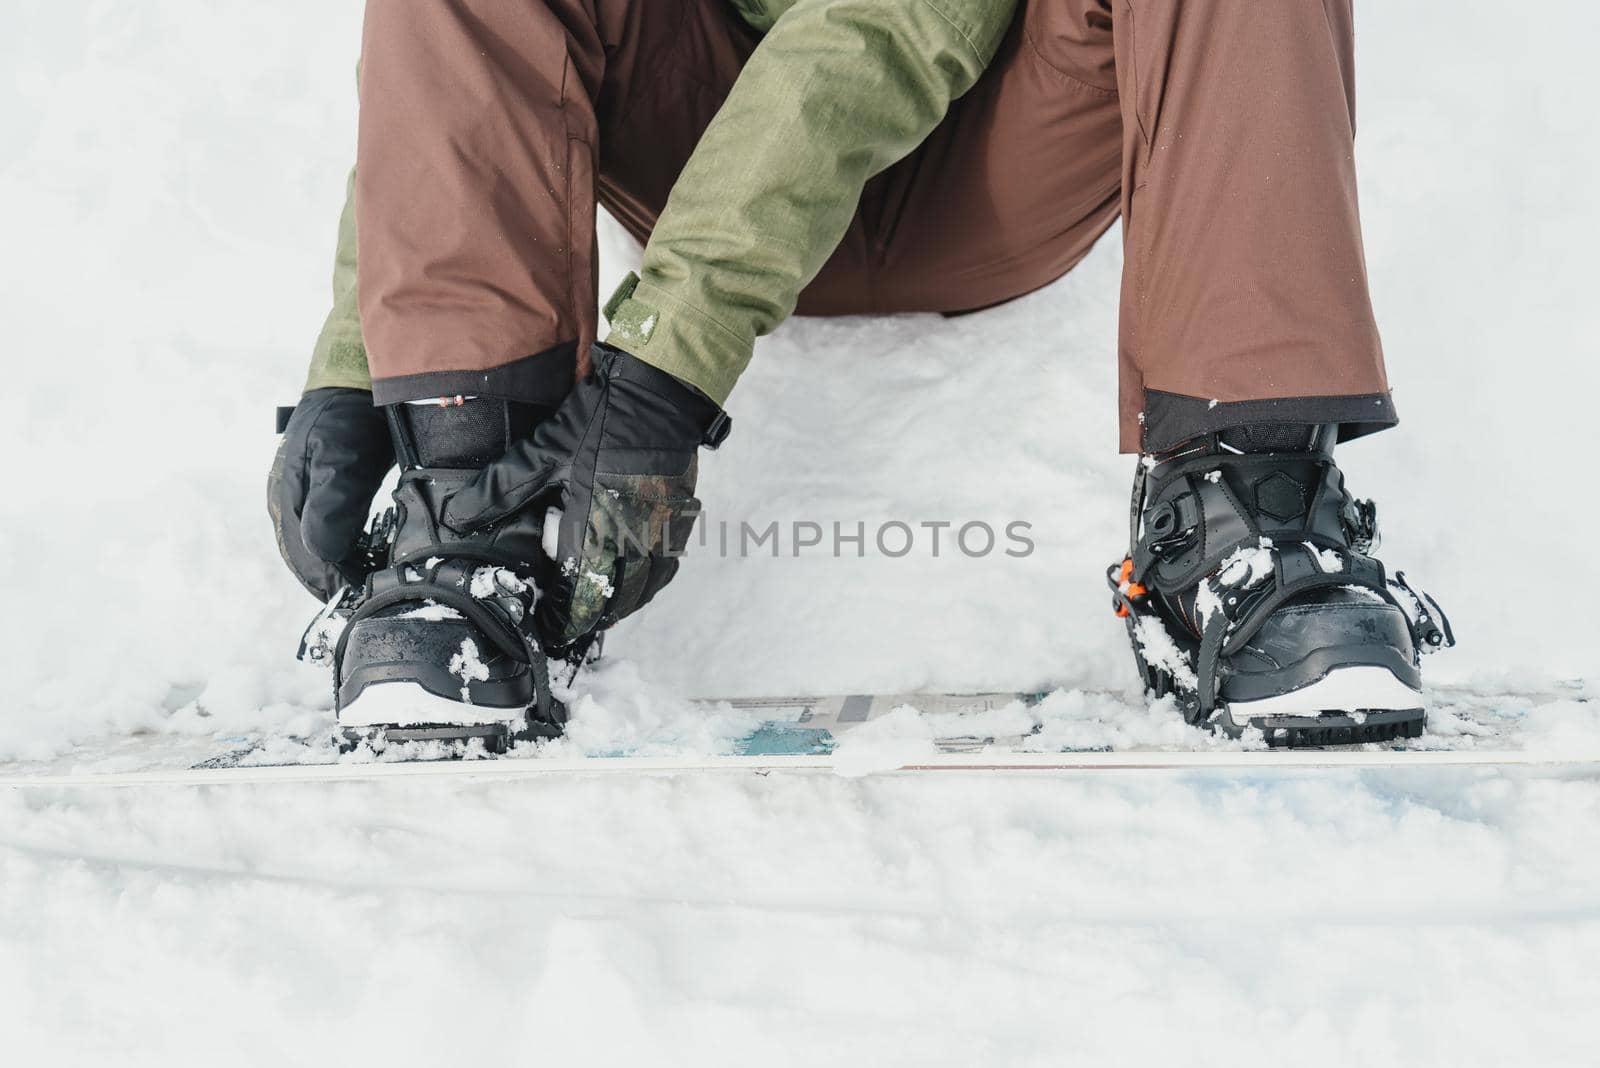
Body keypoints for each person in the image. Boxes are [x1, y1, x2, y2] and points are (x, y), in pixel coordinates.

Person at [269, 0, 1452, 749]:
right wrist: (357, 359)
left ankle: (1249, 520)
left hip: (991, 155)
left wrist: (662, 374)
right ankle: (478, 529)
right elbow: (458, 87)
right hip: (690, 123)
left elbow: (880, 29)